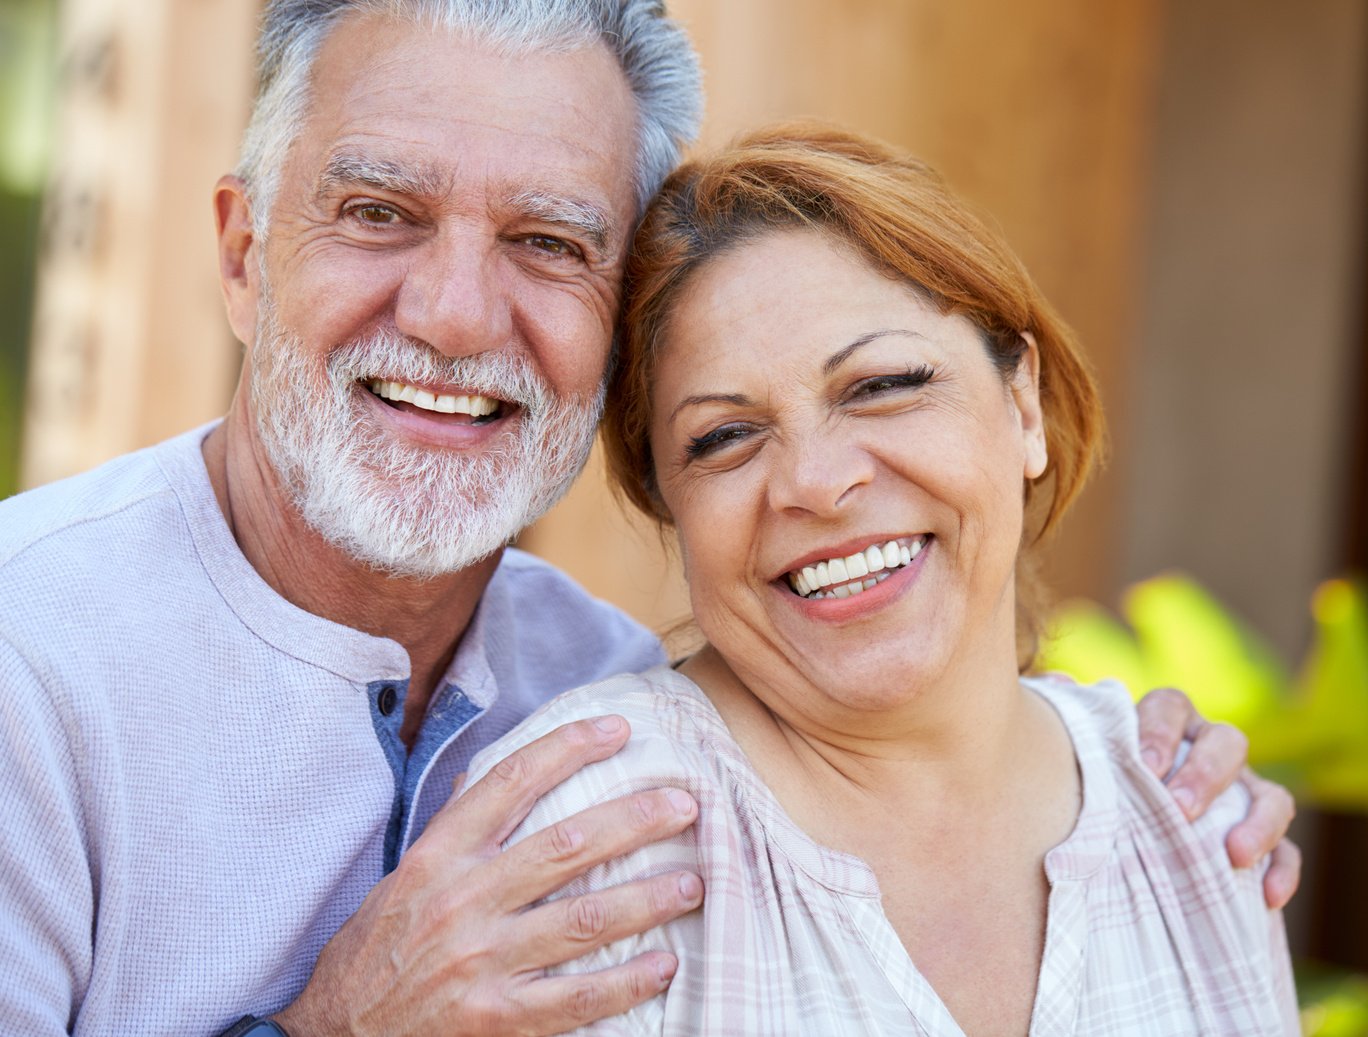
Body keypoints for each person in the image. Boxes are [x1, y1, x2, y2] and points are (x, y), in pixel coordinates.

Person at [0, 2, 1296, 1035]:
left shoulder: (599, 680)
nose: (455, 313)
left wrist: (1125, 761)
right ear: (242, 254)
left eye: (549, 242)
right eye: (380, 213)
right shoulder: (29, 658)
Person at [464, 123, 1302, 1035]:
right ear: (672, 505)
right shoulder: (595, 833)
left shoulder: (1192, 818)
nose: (818, 484)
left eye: (882, 384)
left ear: (1022, 405)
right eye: (724, 437)